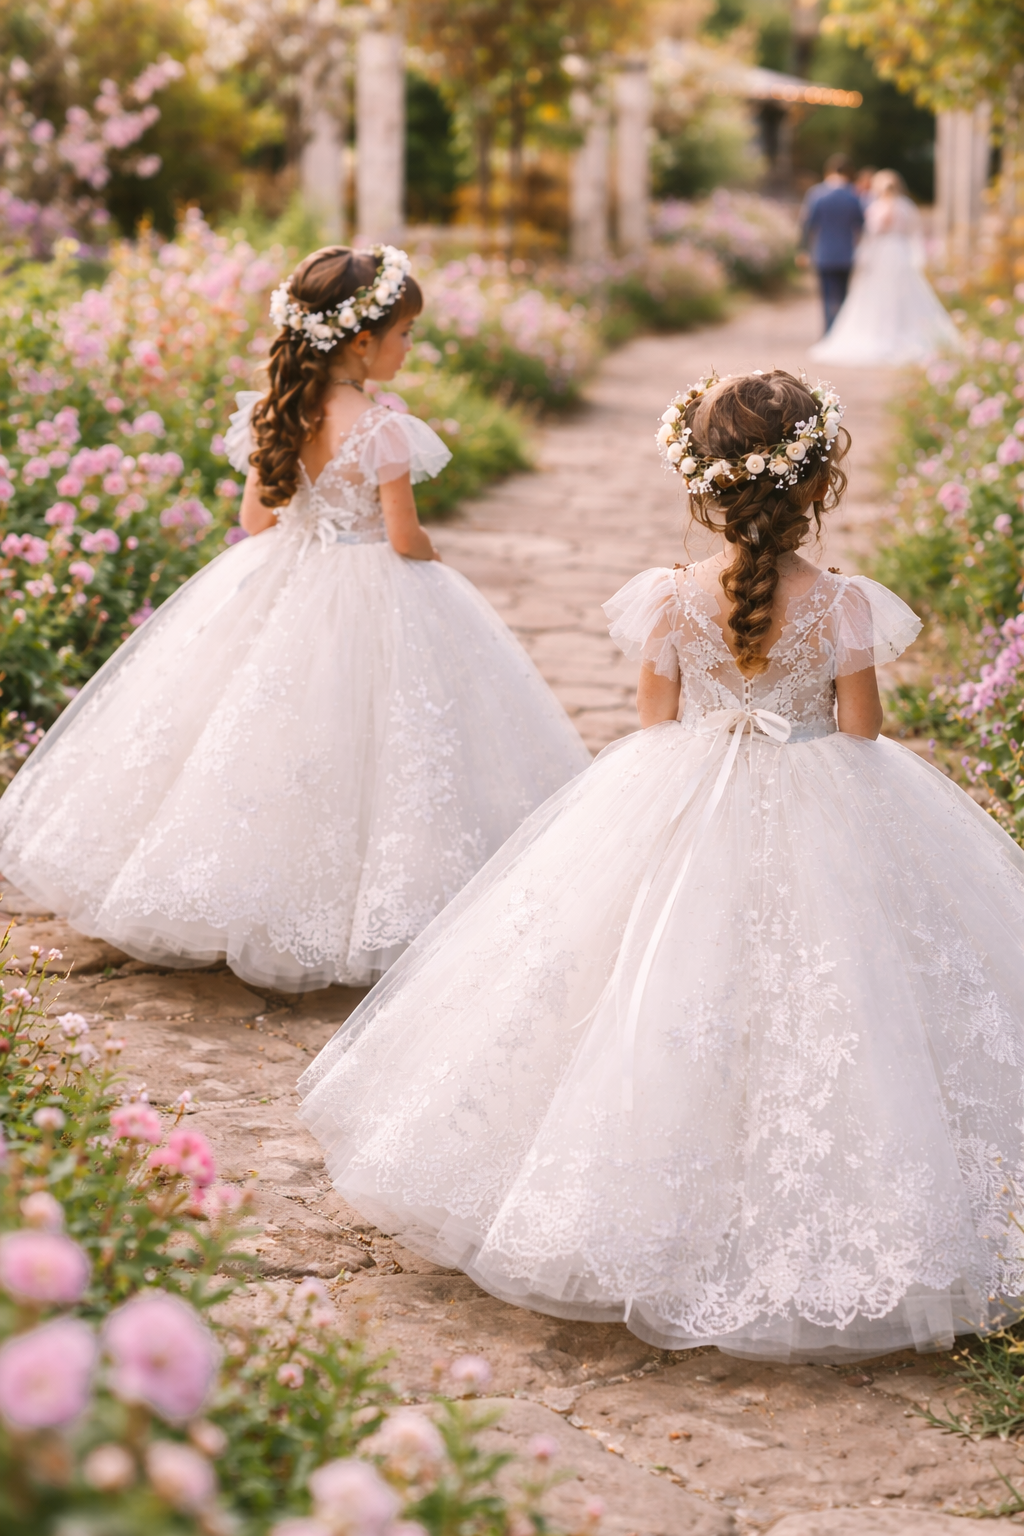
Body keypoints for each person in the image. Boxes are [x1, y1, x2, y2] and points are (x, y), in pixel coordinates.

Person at [299, 370, 1024, 1363]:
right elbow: (860, 732)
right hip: (820, 800)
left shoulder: (672, 597)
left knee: (656, 980)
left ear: (706, 489)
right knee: (830, 991)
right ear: (817, 487)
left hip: (676, 788)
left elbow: (650, 719)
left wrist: (716, 729)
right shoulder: (844, 607)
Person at [0, 245, 590, 992]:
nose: (412, 349)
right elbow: (403, 536)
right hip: (373, 580)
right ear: (361, 340)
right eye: (405, 334)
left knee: (255, 728)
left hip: (288, 571)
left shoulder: (276, 410)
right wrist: (430, 553)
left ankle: (235, 893)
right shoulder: (382, 427)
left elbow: (256, 519)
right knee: (380, 735)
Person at [810, 170, 961, 366]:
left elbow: (872, 232)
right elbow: (912, 233)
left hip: (886, 253)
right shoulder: (906, 207)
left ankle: (890, 334)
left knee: (888, 295)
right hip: (897, 253)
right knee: (892, 296)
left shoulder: (880, 207)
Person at [800, 153, 864, 335]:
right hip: (846, 253)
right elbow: (861, 224)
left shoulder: (816, 194)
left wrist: (803, 249)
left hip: (824, 252)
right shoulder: (853, 195)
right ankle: (841, 333)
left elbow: (807, 224)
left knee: (827, 295)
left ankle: (828, 331)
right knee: (843, 295)